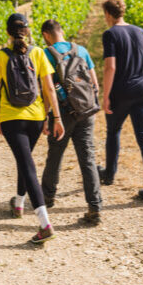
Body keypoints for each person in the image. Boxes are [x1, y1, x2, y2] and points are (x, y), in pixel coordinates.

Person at [0, 13, 64, 244]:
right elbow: (49, 89)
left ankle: (45, 224)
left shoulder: (0, 57)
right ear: (28, 31)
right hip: (36, 117)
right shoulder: (39, 53)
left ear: (8, 33)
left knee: (27, 165)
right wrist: (55, 117)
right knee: (25, 160)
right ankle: (19, 203)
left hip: (12, 118)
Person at [39, 19, 102, 225]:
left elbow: (48, 90)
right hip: (85, 111)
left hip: (62, 113)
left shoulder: (46, 54)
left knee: (55, 154)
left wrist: (47, 117)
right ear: (61, 31)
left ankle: (47, 197)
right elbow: (95, 84)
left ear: (46, 35)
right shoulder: (81, 50)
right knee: (88, 158)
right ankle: (94, 207)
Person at [98, 0, 143, 200]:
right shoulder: (140, 31)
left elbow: (110, 67)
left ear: (108, 14)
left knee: (113, 132)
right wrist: (142, 82)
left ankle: (109, 175)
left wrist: (105, 96)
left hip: (121, 92)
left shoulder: (110, 34)